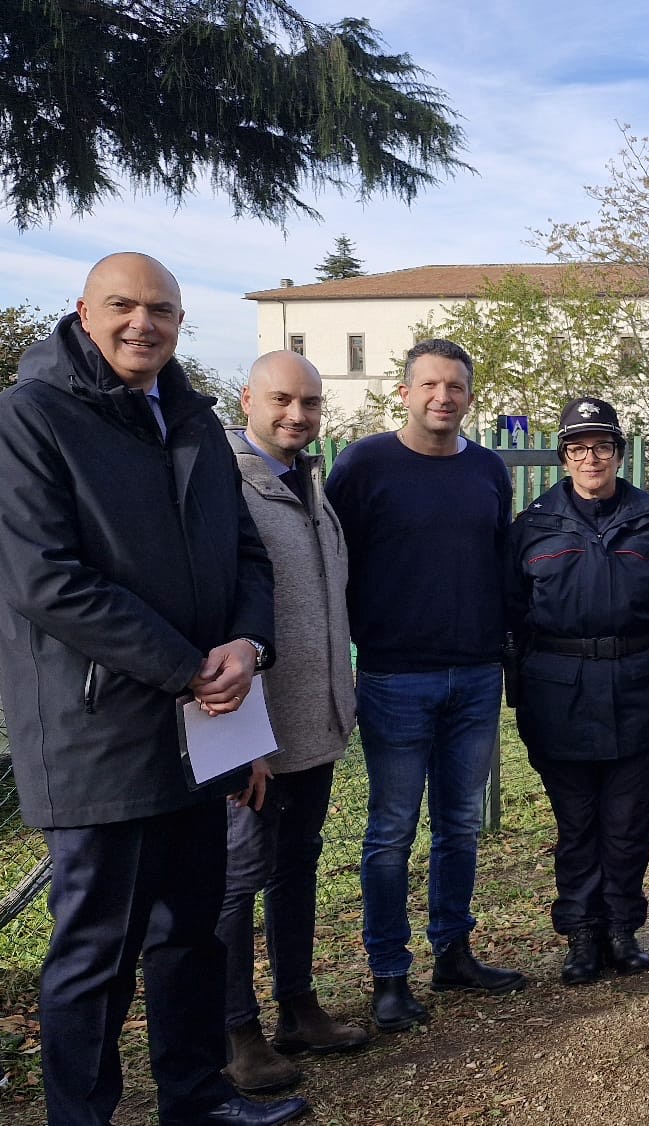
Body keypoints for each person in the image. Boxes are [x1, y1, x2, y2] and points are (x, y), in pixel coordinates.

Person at [0, 253, 304, 1125]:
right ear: (83, 311)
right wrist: (185, 667)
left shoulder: (194, 420)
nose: (144, 324)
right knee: (96, 952)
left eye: (162, 309)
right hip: (97, 731)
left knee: (189, 933)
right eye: (123, 306)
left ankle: (196, 1100)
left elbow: (246, 553)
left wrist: (248, 645)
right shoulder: (30, 417)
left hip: (201, 729)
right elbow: (46, 580)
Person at [325, 339, 526, 1033]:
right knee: (391, 831)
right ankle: (388, 973)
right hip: (394, 676)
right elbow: (333, 564)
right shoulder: (363, 466)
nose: (444, 397)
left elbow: (497, 561)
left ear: (469, 395)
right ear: (405, 393)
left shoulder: (487, 469)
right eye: (431, 385)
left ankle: (454, 952)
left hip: (475, 674)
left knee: (460, 825)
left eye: (456, 386)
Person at [215, 352, 372, 1095]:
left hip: (311, 725)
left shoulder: (310, 482)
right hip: (249, 735)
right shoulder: (221, 485)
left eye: (309, 403)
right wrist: (238, 739)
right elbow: (215, 615)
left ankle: (297, 1006)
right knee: (235, 882)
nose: (297, 415)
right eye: (281, 400)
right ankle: (235, 1031)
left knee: (295, 868)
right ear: (247, 398)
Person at [505, 397, 649, 986]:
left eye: (602, 447)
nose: (591, 458)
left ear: (618, 453)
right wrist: (523, 685)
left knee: (628, 821)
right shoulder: (533, 526)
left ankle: (622, 928)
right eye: (579, 448)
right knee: (577, 822)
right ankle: (582, 932)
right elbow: (511, 613)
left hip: (640, 688)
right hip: (559, 694)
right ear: (564, 457)